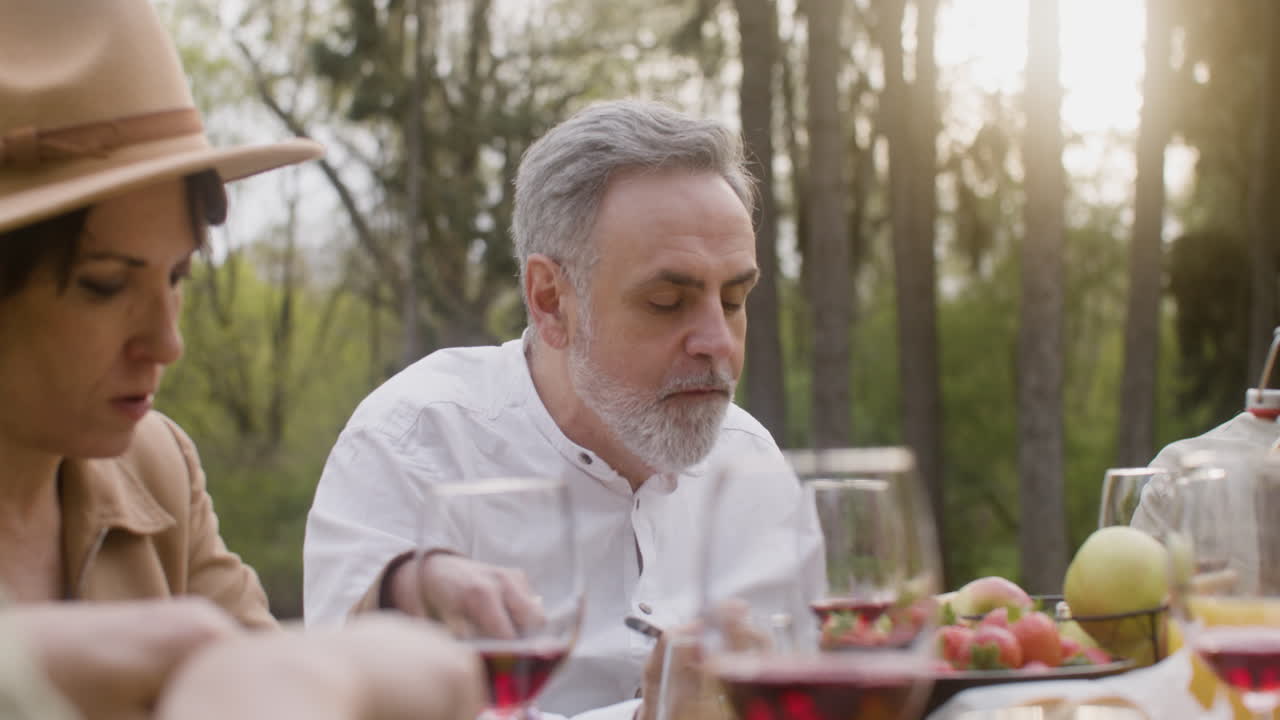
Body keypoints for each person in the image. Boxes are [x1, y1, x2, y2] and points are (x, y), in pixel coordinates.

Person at [305, 99, 817, 720]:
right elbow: (339, 701)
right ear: (550, 300)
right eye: (666, 300)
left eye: (734, 299)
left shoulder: (752, 463)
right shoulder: (417, 443)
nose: (717, 342)